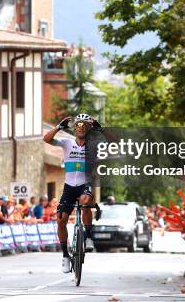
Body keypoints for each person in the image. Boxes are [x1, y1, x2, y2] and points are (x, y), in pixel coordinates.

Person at [43, 113, 103, 273]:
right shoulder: (66, 142)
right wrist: (58, 127)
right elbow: (46, 139)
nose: (81, 128)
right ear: (75, 128)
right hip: (69, 186)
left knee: (85, 203)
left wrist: (101, 130)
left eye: (85, 126)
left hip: (85, 184)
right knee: (61, 220)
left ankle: (88, 236)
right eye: (78, 125)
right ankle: (65, 255)